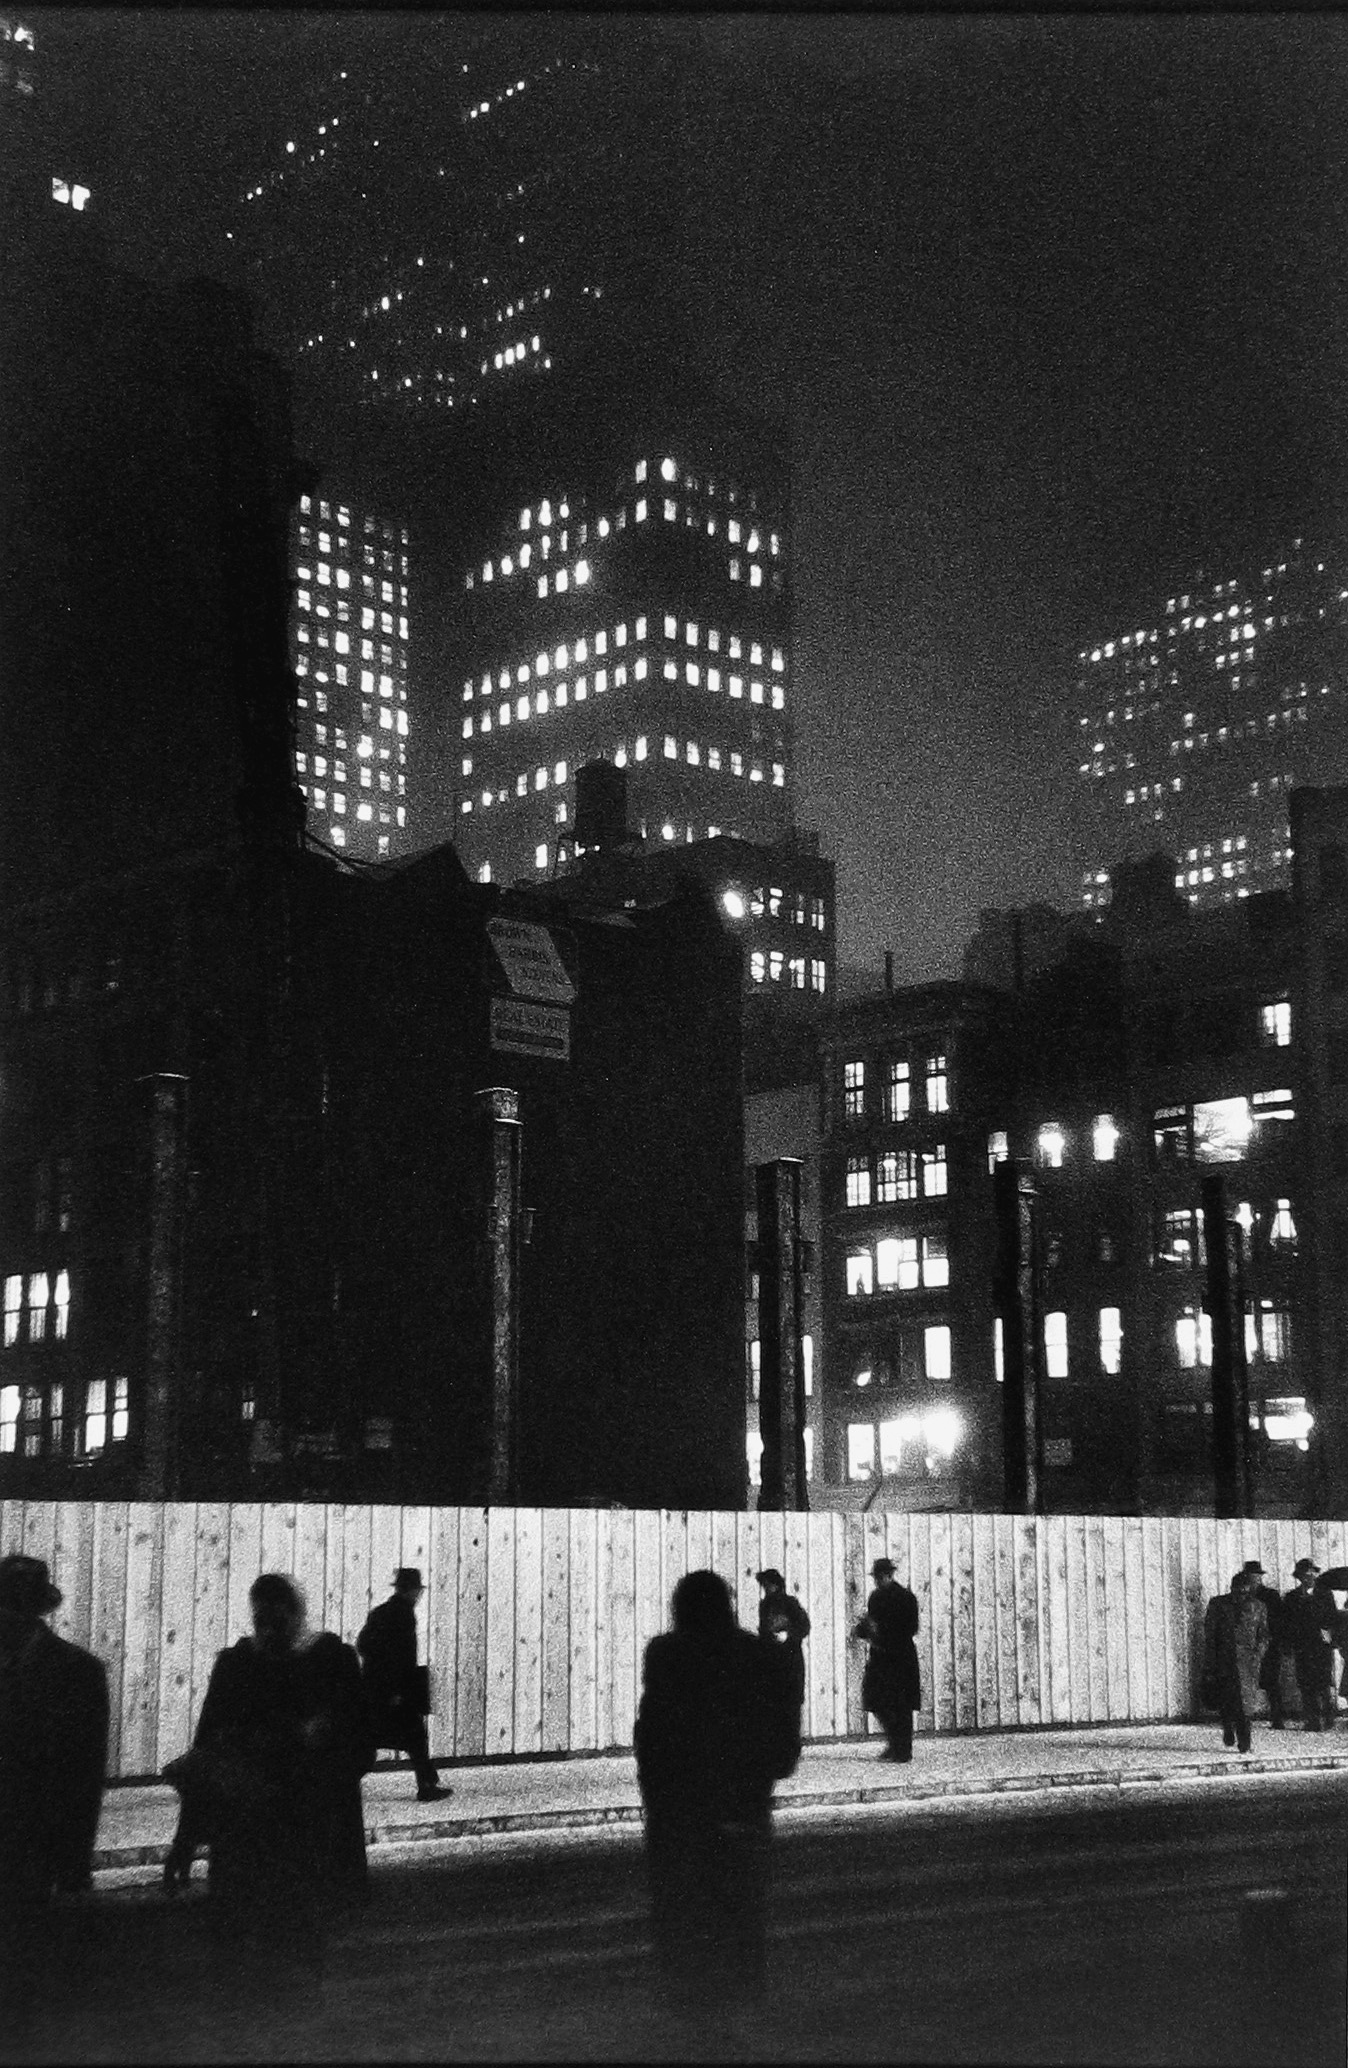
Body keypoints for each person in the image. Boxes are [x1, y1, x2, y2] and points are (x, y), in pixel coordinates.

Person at [163, 1572, 372, 1984]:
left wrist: (186, 1839)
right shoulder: (325, 1662)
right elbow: (207, 1755)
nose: (271, 1629)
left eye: (277, 1618)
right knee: (292, 1944)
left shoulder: (245, 1666)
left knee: (254, 1941)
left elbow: (207, 1755)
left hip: (263, 1829)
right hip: (294, 1828)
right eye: (265, 1620)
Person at [634, 1569, 800, 2041]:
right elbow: (782, 1747)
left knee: (684, 1921)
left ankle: (690, 2023)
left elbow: (653, 1738)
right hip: (740, 1812)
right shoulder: (758, 1655)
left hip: (679, 1819)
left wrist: (658, 1801)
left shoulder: (665, 1656)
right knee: (739, 1919)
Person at [0, 1554, 109, 2027]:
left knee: (24, 1948)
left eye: (16, 1611)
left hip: (33, 1837)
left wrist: (75, 1858)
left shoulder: (79, 1672)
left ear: (36, 1613)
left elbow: (85, 1774)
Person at [357, 1567, 450, 1802]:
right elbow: (403, 1657)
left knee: (379, 1735)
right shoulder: (405, 1615)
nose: (418, 1596)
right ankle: (427, 1785)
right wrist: (398, 1690)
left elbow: (363, 1645)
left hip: (374, 1689)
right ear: (412, 1591)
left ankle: (428, 1782)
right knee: (415, 1735)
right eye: (417, 1591)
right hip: (394, 1690)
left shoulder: (379, 1613)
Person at [853, 1557, 921, 1762]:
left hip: (900, 1657)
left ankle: (903, 1750)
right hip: (881, 1657)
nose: (878, 1581)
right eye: (876, 1578)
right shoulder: (875, 1598)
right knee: (877, 1701)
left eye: (881, 1577)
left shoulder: (906, 1598)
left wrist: (880, 1631)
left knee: (901, 1704)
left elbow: (911, 1628)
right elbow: (871, 1624)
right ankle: (894, 1743)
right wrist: (863, 1629)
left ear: (890, 1576)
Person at [1202, 1569, 1268, 1753]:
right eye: (1238, 1589)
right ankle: (1228, 1729)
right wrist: (1211, 1662)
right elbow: (1210, 1634)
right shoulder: (1218, 1604)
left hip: (1248, 1664)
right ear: (1232, 1588)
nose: (1241, 1594)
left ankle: (1245, 1742)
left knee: (1245, 1704)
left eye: (1245, 1590)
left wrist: (1258, 1654)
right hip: (1224, 1660)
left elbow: (1263, 1635)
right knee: (1227, 1700)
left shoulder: (1258, 1606)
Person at [1279, 1557, 1337, 1732]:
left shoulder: (1325, 1595)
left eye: (1312, 1574)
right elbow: (1287, 1623)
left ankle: (1328, 1717)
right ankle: (1312, 1720)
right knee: (1305, 1683)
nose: (1309, 1577)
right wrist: (1288, 1644)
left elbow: (1333, 1617)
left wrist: (1329, 1633)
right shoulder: (1291, 1597)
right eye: (1305, 1574)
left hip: (1321, 1645)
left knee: (1324, 1682)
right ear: (1299, 1577)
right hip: (1302, 1645)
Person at [755, 1568, 811, 1716]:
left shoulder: (790, 1603)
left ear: (776, 1585)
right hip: (771, 1658)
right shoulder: (765, 1606)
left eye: (768, 1584)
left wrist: (787, 1633)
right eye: (764, 1585)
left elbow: (804, 1626)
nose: (766, 1588)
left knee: (790, 1700)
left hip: (790, 1658)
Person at [1243, 1560, 1286, 1728]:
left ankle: (1277, 1718)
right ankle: (1244, 1716)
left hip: (1269, 1644)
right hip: (1248, 1646)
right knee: (1247, 1680)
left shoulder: (1271, 1595)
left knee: (1272, 1682)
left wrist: (1276, 1640)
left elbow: (1280, 1619)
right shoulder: (1242, 1595)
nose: (1254, 1579)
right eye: (1251, 1576)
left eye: (1257, 1575)